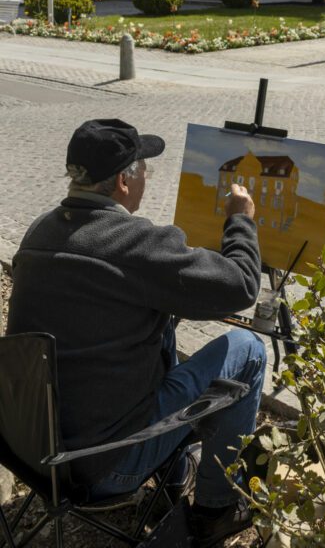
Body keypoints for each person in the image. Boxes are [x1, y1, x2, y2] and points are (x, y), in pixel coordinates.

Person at [7, 118, 266, 548]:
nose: (147, 179)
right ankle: (214, 511)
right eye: (146, 170)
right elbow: (240, 285)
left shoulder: (39, 232)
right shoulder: (135, 243)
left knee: (156, 325)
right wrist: (240, 222)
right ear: (125, 181)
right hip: (104, 466)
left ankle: (174, 472)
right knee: (248, 348)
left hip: (34, 454)